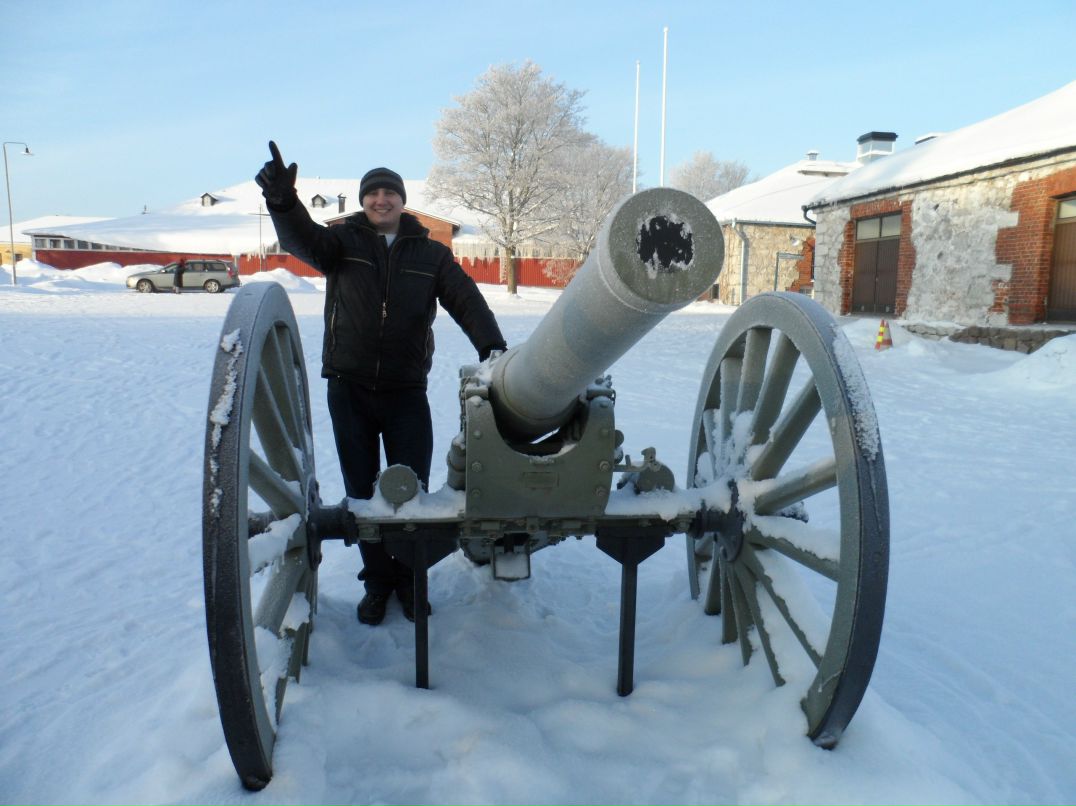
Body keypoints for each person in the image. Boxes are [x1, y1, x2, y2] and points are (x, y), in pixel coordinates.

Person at [255, 141, 506, 626]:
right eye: (373, 194)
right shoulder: (342, 243)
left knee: (410, 489)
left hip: (405, 390)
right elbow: (301, 239)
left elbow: (465, 299)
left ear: (402, 201)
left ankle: (411, 580)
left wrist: (491, 347)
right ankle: (376, 584)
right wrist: (284, 203)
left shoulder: (430, 255)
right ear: (363, 201)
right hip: (348, 388)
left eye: (390, 193)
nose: (381, 201)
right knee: (363, 491)